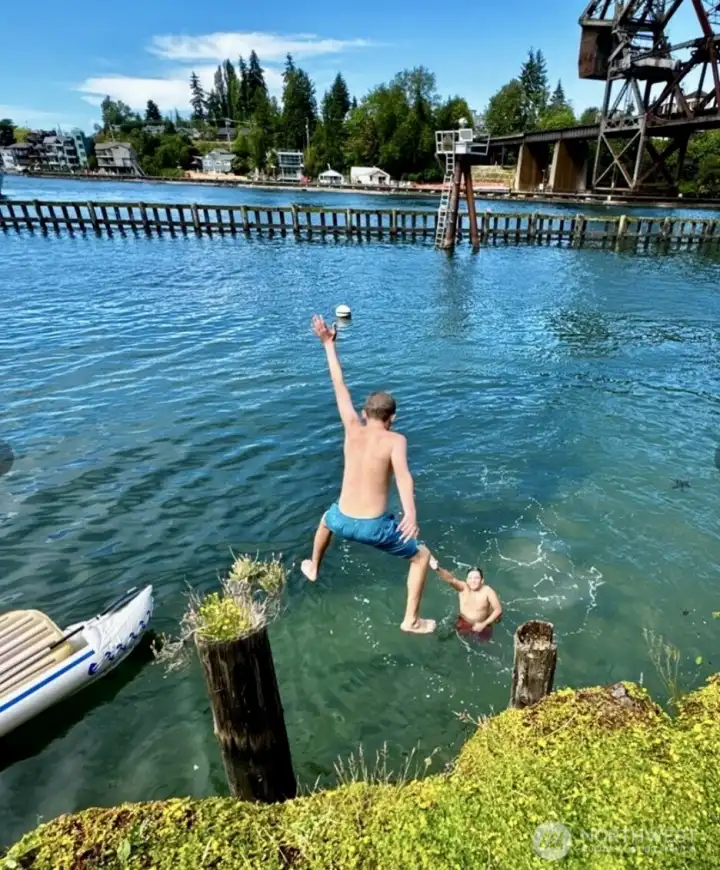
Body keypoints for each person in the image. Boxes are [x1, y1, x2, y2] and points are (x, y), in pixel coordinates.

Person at [301, 314, 436, 635]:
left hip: (341, 519)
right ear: (393, 417)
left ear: (364, 413)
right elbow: (404, 477)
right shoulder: (395, 440)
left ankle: (314, 566)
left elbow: (339, 385)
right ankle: (411, 619)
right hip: (373, 527)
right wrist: (411, 512)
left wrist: (328, 344)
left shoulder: (352, 427)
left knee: (325, 519)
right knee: (422, 557)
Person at [429, 557, 503, 642]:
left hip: (482, 625)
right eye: (470, 578)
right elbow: (451, 579)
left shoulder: (488, 591)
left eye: (476, 578)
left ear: (482, 581)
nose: (473, 581)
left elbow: (498, 609)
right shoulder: (463, 588)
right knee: (458, 639)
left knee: (483, 644)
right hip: (463, 621)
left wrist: (483, 624)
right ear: (467, 580)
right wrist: (437, 569)